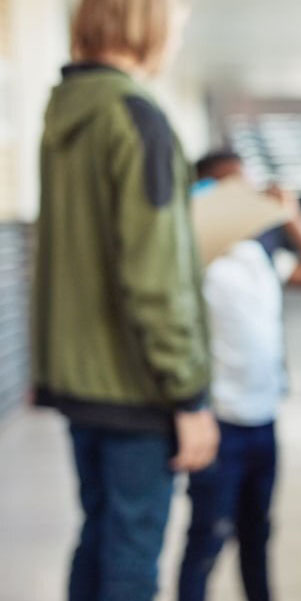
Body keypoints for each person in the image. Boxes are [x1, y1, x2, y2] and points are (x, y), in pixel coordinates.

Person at [32, 1, 219, 600]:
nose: (179, 33)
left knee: (100, 536)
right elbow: (154, 275)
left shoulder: (66, 113)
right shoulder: (136, 118)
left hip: (80, 381)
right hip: (138, 385)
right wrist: (188, 393)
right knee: (133, 559)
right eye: (177, 18)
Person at [177, 151, 301, 601]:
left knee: (258, 536)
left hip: (263, 419)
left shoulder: (262, 254)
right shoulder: (195, 261)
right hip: (219, 424)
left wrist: (291, 216)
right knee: (207, 538)